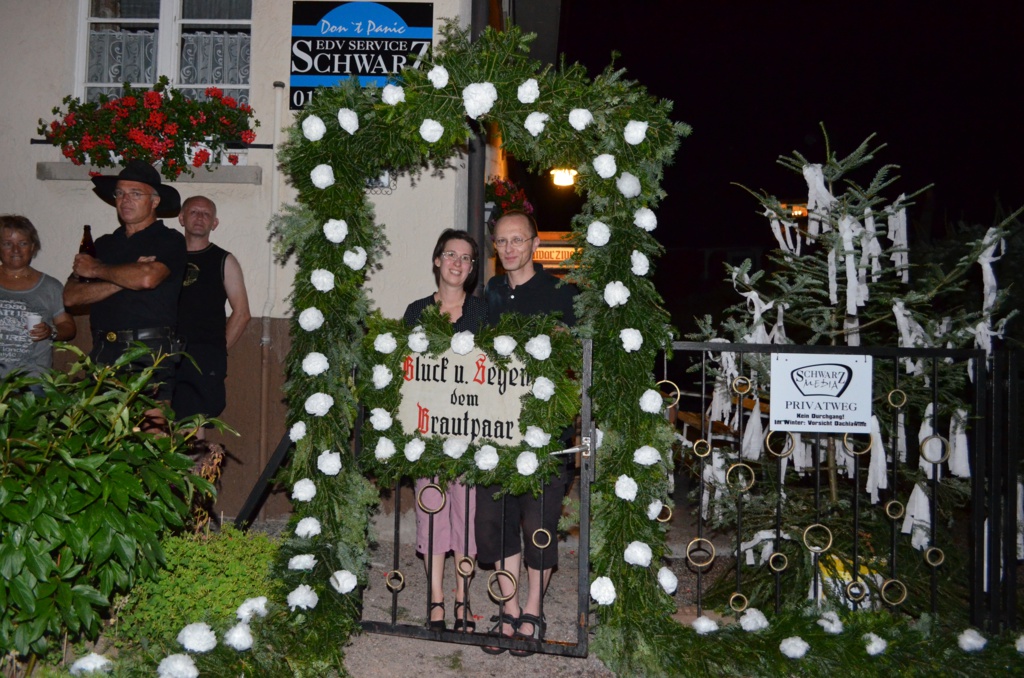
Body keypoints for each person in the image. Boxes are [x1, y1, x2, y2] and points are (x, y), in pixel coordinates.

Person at [478, 210, 578, 656]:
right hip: (497, 430)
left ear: (535, 244)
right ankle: (508, 608)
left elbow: (576, 359)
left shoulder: (562, 294)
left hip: (546, 431)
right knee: (497, 521)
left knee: (539, 522)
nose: (509, 248)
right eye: (501, 241)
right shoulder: (491, 292)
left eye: (517, 240)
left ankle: (534, 610)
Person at [403, 228, 487, 633]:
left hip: (471, 429)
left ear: (471, 269)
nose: (457, 263)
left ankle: (462, 598)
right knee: (432, 509)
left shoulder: (482, 312)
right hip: (428, 430)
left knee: (467, 515)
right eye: (451, 255)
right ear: (437, 260)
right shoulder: (416, 311)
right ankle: (435, 598)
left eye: (466, 258)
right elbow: (405, 370)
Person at [63, 160, 186, 430]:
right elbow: (71, 296)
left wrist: (98, 270)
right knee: (99, 435)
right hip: (103, 350)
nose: (125, 200)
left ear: (154, 201)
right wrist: (122, 280)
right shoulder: (104, 244)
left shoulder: (169, 239)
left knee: (152, 434)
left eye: (135, 193)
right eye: (120, 193)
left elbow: (147, 278)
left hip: (149, 351)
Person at [171, 195, 251, 439]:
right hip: (164, 355)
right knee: (157, 425)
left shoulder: (224, 260)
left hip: (202, 360)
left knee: (191, 431)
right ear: (181, 218)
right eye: (193, 212)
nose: (200, 217)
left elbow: (242, 313)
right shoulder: (166, 257)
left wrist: (216, 350)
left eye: (206, 214)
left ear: (214, 223)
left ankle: (194, 466)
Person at [0, 215, 76, 379]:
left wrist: (51, 331)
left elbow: (68, 327)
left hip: (33, 381)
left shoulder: (50, 286)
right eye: (7, 244)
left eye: (23, 243)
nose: (15, 250)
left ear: (33, 247)